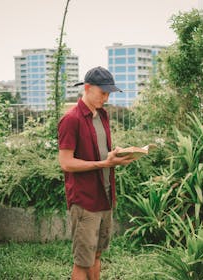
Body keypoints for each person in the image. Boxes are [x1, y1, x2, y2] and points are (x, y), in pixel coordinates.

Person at [58, 66, 135, 280]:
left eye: (109, 93)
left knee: (97, 254)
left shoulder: (102, 115)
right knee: (83, 261)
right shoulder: (71, 119)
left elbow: (101, 152)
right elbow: (65, 163)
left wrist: (117, 155)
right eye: (103, 92)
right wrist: (103, 164)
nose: (107, 97)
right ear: (88, 88)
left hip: (105, 196)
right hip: (85, 200)